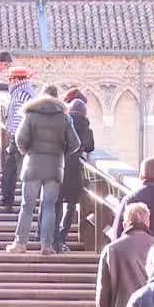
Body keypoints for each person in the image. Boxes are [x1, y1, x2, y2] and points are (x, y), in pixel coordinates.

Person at [7, 85, 80, 255]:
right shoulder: (64, 117)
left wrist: (27, 152)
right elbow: (75, 143)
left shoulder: (30, 114)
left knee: (27, 205)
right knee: (49, 206)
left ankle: (20, 244)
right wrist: (62, 153)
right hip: (55, 167)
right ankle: (46, 246)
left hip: (33, 163)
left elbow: (20, 139)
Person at [57, 97, 95, 251]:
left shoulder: (62, 124)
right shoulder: (86, 129)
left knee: (55, 203)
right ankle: (62, 236)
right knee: (70, 206)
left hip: (58, 167)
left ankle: (48, 236)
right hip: (74, 171)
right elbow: (90, 147)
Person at [0, 67, 36, 215]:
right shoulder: (28, 92)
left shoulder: (21, 94)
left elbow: (20, 118)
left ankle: (9, 201)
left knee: (12, 170)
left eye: (10, 79)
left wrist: (14, 136)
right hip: (24, 137)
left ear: (15, 79)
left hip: (19, 138)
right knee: (18, 170)